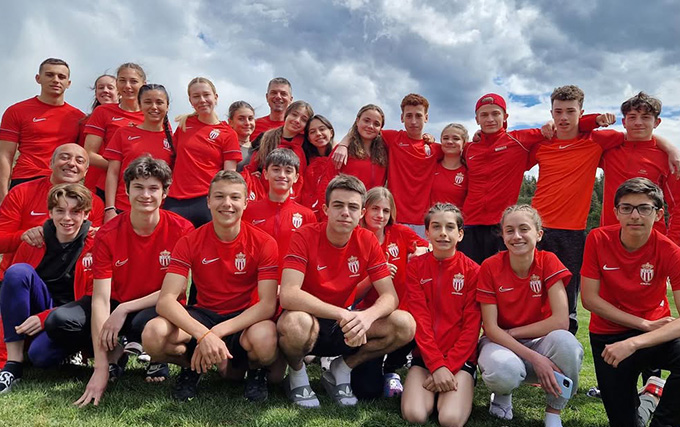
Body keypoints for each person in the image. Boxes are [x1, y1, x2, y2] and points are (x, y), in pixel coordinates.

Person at [61, 156, 193, 407]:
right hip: (117, 301)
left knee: (148, 323)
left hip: (157, 305)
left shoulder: (181, 229)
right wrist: (100, 367)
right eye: (138, 187)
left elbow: (173, 292)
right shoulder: (109, 233)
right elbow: (100, 298)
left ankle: (156, 358)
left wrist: (124, 309)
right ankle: (112, 357)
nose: (146, 195)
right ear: (126, 190)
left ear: (164, 193)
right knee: (61, 322)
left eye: (153, 188)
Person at [276, 174, 416, 408]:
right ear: (326, 209)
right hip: (311, 319)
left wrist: (365, 316)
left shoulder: (367, 239)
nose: (345, 212)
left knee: (405, 323)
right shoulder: (305, 235)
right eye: (338, 205)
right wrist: (343, 314)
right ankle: (297, 374)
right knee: (295, 323)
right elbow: (289, 294)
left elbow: (390, 296)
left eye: (352, 207)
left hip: (345, 323)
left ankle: (341, 369)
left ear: (361, 213)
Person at [142, 170, 281, 402]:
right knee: (153, 335)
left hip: (243, 317)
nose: (227, 203)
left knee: (266, 340)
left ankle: (254, 372)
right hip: (204, 314)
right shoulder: (190, 241)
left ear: (246, 203)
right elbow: (166, 301)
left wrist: (216, 333)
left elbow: (267, 305)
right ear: (208, 201)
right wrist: (203, 334)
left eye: (235, 197)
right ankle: (193, 367)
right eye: (219, 196)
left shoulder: (264, 242)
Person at [581, 177, 680, 427]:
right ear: (616, 212)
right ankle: (649, 397)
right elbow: (589, 300)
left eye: (644, 208)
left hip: (653, 337)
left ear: (658, 214)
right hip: (609, 338)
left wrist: (636, 340)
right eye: (627, 208)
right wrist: (643, 324)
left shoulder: (671, 252)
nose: (635, 215)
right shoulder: (598, 238)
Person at [477, 205, 583, 427]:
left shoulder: (549, 261)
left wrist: (514, 333)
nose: (516, 236)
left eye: (524, 229)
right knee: (503, 370)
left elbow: (561, 321)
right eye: (509, 230)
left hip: (532, 340)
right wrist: (536, 359)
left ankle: (554, 411)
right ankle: (503, 394)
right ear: (503, 236)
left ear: (539, 234)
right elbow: (491, 328)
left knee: (568, 345)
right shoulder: (490, 266)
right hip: (500, 342)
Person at [0, 184, 94, 393]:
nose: (67, 218)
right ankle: (13, 365)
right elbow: (13, 292)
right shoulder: (33, 241)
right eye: (60, 210)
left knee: (40, 357)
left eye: (75, 212)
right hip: (40, 305)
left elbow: (92, 299)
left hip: (71, 317)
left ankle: (73, 350)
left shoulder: (95, 245)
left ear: (86, 214)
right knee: (16, 272)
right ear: (50, 212)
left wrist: (44, 318)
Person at [401, 203, 480, 426]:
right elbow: (420, 320)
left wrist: (449, 366)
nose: (443, 233)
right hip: (425, 358)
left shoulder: (473, 271)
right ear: (427, 232)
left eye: (450, 227)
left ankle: (465, 382)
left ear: (460, 234)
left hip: (460, 360)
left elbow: (472, 327)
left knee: (450, 420)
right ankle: (433, 388)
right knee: (415, 415)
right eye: (436, 227)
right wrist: (436, 365)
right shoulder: (416, 267)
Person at [353, 187, 428, 398]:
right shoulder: (354, 238)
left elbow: (426, 247)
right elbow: (350, 296)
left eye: (386, 211)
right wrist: (375, 275)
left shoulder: (400, 233)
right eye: (375, 209)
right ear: (364, 211)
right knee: (367, 391)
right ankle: (348, 361)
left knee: (417, 321)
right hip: (367, 316)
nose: (380, 215)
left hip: (401, 312)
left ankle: (392, 367)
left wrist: (419, 252)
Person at [333, 96, 440, 237]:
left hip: (423, 221)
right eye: (409, 116)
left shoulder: (436, 149)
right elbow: (363, 129)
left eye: (418, 116)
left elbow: (459, 149)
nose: (413, 121)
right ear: (402, 118)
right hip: (392, 218)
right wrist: (343, 144)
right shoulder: (393, 138)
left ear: (426, 118)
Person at [0, 144, 104, 281]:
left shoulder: (94, 202)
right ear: (51, 163)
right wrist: (25, 235)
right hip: (22, 278)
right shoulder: (22, 192)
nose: (71, 163)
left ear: (85, 171)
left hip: (68, 282)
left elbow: (91, 249)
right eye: (64, 157)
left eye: (79, 161)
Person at [0, 58, 85, 203]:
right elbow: (5, 155)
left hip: (63, 183)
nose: (56, 80)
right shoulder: (16, 111)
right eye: (50, 75)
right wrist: (3, 195)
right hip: (25, 179)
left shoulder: (79, 117)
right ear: (38, 78)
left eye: (61, 77)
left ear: (68, 83)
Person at [598, 92, 680, 238]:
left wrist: (673, 245)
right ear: (624, 122)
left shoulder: (667, 159)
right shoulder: (608, 151)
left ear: (657, 122)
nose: (638, 122)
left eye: (645, 117)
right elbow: (578, 134)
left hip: (650, 240)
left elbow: (678, 206)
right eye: (632, 117)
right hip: (609, 239)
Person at [165, 77, 242, 228]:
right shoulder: (184, 125)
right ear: (190, 101)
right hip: (176, 199)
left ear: (215, 97)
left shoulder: (228, 133)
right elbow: (171, 159)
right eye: (196, 96)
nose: (202, 100)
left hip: (206, 201)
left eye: (206, 95)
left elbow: (229, 176)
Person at [103, 84, 175, 217]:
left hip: (159, 212)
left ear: (167, 106)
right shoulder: (123, 133)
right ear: (140, 105)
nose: (154, 107)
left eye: (159, 102)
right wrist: (110, 208)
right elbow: (112, 173)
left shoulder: (174, 140)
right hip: (123, 208)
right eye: (148, 102)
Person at [243, 148, 316, 266]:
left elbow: (311, 255)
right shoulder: (248, 211)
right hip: (257, 281)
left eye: (288, 171)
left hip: (290, 282)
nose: (282, 175)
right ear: (266, 174)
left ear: (296, 177)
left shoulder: (307, 215)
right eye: (276, 170)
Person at [83, 63, 146, 196]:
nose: (127, 86)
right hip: (108, 187)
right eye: (122, 81)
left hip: (144, 187)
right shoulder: (103, 111)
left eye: (133, 81)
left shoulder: (152, 113)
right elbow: (89, 154)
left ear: (143, 84)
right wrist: (123, 169)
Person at [244, 101, 314, 201]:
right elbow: (254, 161)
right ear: (286, 114)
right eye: (294, 115)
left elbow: (328, 144)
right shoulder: (266, 137)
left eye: (304, 119)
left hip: (294, 198)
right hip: (263, 194)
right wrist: (253, 177)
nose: (297, 120)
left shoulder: (308, 143)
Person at [331, 105, 388, 191]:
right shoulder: (343, 150)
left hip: (372, 203)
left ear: (380, 129)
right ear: (357, 121)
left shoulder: (385, 152)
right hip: (348, 202)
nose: (370, 126)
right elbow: (327, 180)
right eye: (366, 121)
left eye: (376, 124)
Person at [300, 114, 334, 219]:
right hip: (309, 215)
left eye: (322, 129)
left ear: (331, 132)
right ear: (309, 139)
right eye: (312, 132)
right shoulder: (305, 159)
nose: (318, 134)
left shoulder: (341, 156)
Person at [429, 123, 468, 208]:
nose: (450, 142)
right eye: (446, 138)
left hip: (456, 220)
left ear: (464, 143)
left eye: (456, 138)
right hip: (430, 220)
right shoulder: (430, 167)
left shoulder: (469, 173)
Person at [227, 101, 256, 172]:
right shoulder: (226, 147)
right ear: (231, 122)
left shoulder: (259, 149)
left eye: (250, 118)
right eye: (241, 119)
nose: (247, 123)